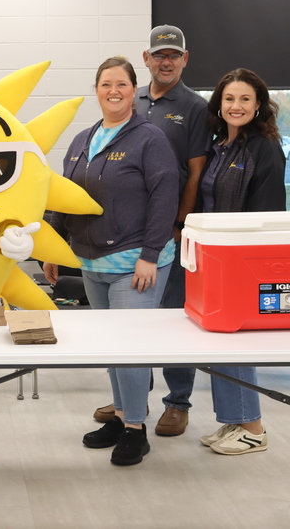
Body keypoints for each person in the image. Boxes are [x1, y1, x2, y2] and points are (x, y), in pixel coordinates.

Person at [45, 56, 178, 466]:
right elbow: (65, 194)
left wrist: (150, 255)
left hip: (135, 262)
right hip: (92, 262)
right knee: (111, 348)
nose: (113, 91)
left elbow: (165, 197)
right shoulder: (83, 139)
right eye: (106, 84)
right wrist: (52, 245)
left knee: (130, 348)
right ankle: (121, 418)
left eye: (121, 84)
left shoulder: (149, 138)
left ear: (134, 90)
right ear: (97, 90)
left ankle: (136, 429)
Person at [93, 25, 210, 438]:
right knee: (131, 330)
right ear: (146, 58)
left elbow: (194, 173)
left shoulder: (195, 107)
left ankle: (177, 402)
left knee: (174, 318)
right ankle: (131, 402)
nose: (166, 61)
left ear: (185, 59)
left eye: (173, 55)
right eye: (159, 55)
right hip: (129, 234)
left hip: (169, 235)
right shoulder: (132, 98)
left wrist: (178, 224)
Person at [196, 68, 283, 455]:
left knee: (235, 341)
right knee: (220, 342)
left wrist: (254, 262)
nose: (236, 106)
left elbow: (268, 211)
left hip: (244, 261)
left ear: (258, 104)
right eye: (229, 99)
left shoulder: (264, 147)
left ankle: (253, 428)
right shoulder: (220, 145)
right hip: (214, 259)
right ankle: (234, 419)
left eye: (245, 99)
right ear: (219, 104)